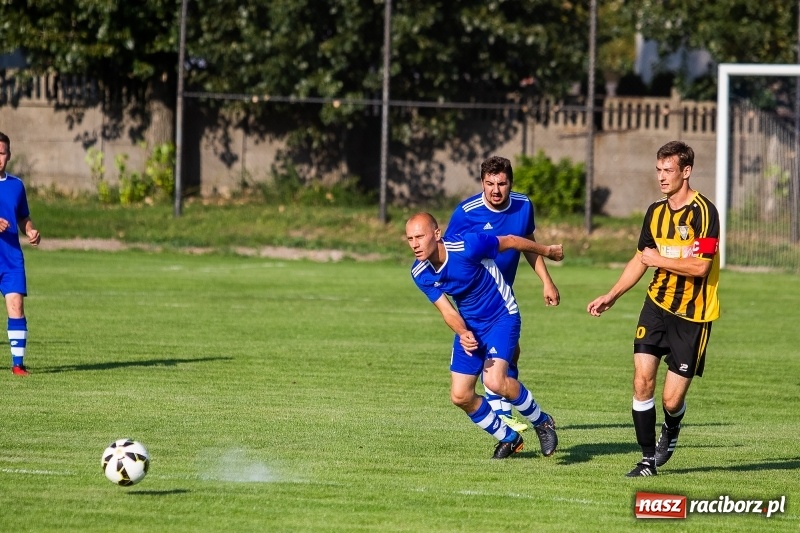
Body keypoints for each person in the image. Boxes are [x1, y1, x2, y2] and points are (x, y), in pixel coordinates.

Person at [586, 141, 720, 477]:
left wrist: (658, 259)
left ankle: (672, 427)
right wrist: (612, 294)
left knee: (671, 401)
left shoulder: (704, 212)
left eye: (668, 170)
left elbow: (701, 266)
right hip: (656, 305)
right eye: (658, 169)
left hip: (692, 316)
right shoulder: (655, 212)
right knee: (642, 380)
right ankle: (647, 460)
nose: (661, 177)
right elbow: (641, 258)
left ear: (686, 171)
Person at [406, 212, 563, 459]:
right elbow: (447, 311)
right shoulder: (420, 272)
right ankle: (509, 438)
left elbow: (511, 240)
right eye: (410, 239)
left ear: (437, 234)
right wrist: (463, 332)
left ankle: (542, 422)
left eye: (420, 237)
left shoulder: (468, 245)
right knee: (460, 395)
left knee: (494, 382)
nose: (415, 244)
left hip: (502, 316)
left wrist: (547, 251)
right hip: (471, 326)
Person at [445, 155, 560, 433]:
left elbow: (526, 243)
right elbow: (447, 252)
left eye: (501, 184)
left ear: (510, 183)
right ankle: (504, 415)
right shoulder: (466, 213)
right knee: (495, 361)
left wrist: (546, 281)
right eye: (489, 184)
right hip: (478, 299)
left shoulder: (523, 205)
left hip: (504, 294)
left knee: (511, 353)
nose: (495, 190)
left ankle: (505, 410)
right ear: (482, 183)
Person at [0, 131, 41, 376]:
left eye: (1, 153)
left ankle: (18, 364)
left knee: (16, 306)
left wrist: (31, 230)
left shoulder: (16, 185)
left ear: (9, 155)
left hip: (11, 259)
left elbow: (23, 217)